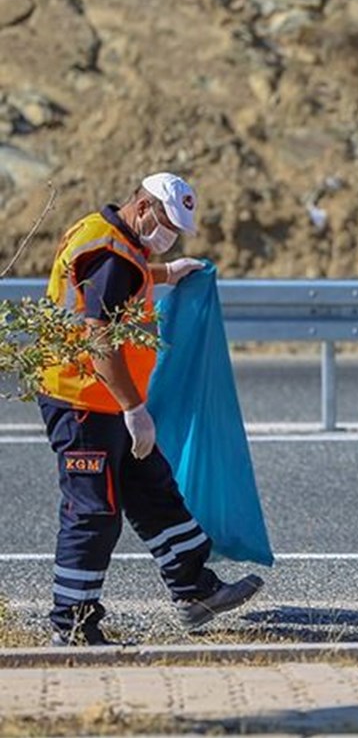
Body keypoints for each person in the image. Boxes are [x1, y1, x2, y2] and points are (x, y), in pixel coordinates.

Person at [37, 172, 263, 646]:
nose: (167, 237)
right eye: (165, 224)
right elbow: (100, 334)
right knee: (93, 512)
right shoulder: (113, 253)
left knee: (153, 488)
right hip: (84, 400)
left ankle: (194, 591)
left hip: (103, 399)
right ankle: (72, 626)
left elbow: (107, 288)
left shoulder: (110, 239)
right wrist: (134, 408)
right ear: (142, 207)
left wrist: (164, 272)